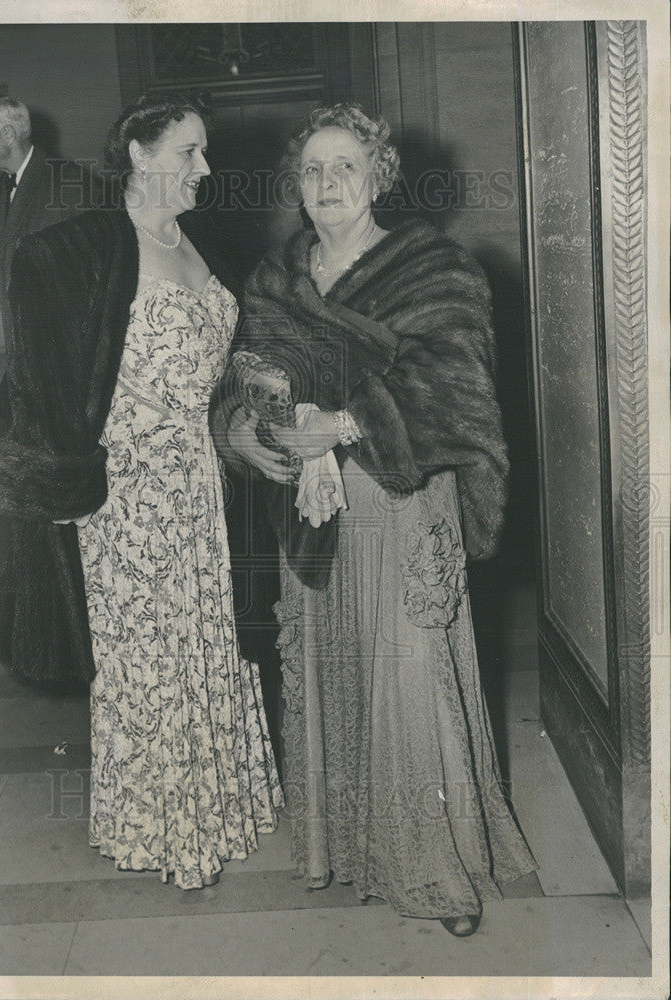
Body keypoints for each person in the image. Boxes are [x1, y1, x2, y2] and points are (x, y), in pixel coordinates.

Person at [218, 103, 536, 935]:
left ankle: (441, 872)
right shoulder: (276, 275)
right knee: (330, 662)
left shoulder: (434, 266)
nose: (326, 184)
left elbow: (458, 382)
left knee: (407, 670)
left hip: (395, 497)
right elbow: (241, 368)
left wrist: (350, 422)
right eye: (313, 170)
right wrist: (241, 431)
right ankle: (351, 851)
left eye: (345, 167)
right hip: (309, 505)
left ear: (379, 177)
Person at [0, 93, 282, 888]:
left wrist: (249, 399)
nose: (206, 169)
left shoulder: (196, 239)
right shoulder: (87, 247)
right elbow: (48, 380)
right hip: (130, 494)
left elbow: (223, 361)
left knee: (209, 646)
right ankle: (167, 832)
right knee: (148, 660)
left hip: (205, 484)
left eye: (205, 151)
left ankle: (220, 806)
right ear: (141, 155)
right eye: (190, 152)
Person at [0, 96, 86, 597]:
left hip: (62, 364)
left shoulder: (66, 184)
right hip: (28, 360)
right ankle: (34, 578)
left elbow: (84, 283)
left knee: (55, 475)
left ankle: (57, 583)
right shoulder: (5, 189)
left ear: (10, 135)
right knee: (28, 471)